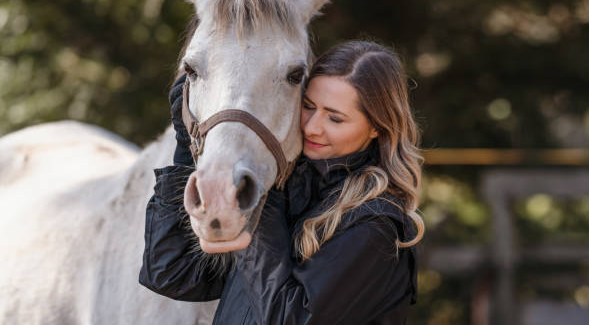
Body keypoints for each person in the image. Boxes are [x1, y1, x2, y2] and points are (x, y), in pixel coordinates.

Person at [139, 40, 425, 324]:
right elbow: (172, 275)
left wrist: (261, 197)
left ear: (377, 126)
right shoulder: (290, 189)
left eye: (335, 119)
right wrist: (183, 146)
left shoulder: (375, 226)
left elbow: (288, 318)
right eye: (309, 106)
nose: (313, 127)